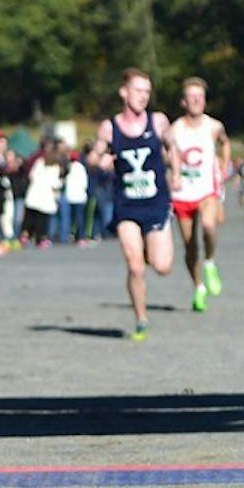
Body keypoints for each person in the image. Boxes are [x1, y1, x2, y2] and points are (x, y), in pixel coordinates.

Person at [92, 68, 177, 342]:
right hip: (126, 204)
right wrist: (100, 160)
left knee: (162, 266)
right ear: (124, 92)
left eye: (147, 92)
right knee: (135, 265)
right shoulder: (109, 127)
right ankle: (141, 318)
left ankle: (151, 247)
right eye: (138, 90)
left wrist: (174, 171)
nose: (143, 97)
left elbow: (172, 146)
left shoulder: (159, 121)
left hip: (156, 203)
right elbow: (92, 158)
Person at [168, 77, 230, 312]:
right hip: (183, 192)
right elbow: (170, 153)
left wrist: (224, 166)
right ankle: (198, 287)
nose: (196, 100)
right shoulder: (175, 129)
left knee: (209, 225)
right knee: (189, 245)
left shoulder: (213, 126)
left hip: (207, 188)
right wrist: (173, 173)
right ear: (184, 101)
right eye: (192, 97)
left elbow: (225, 142)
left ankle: (210, 263)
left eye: (200, 97)